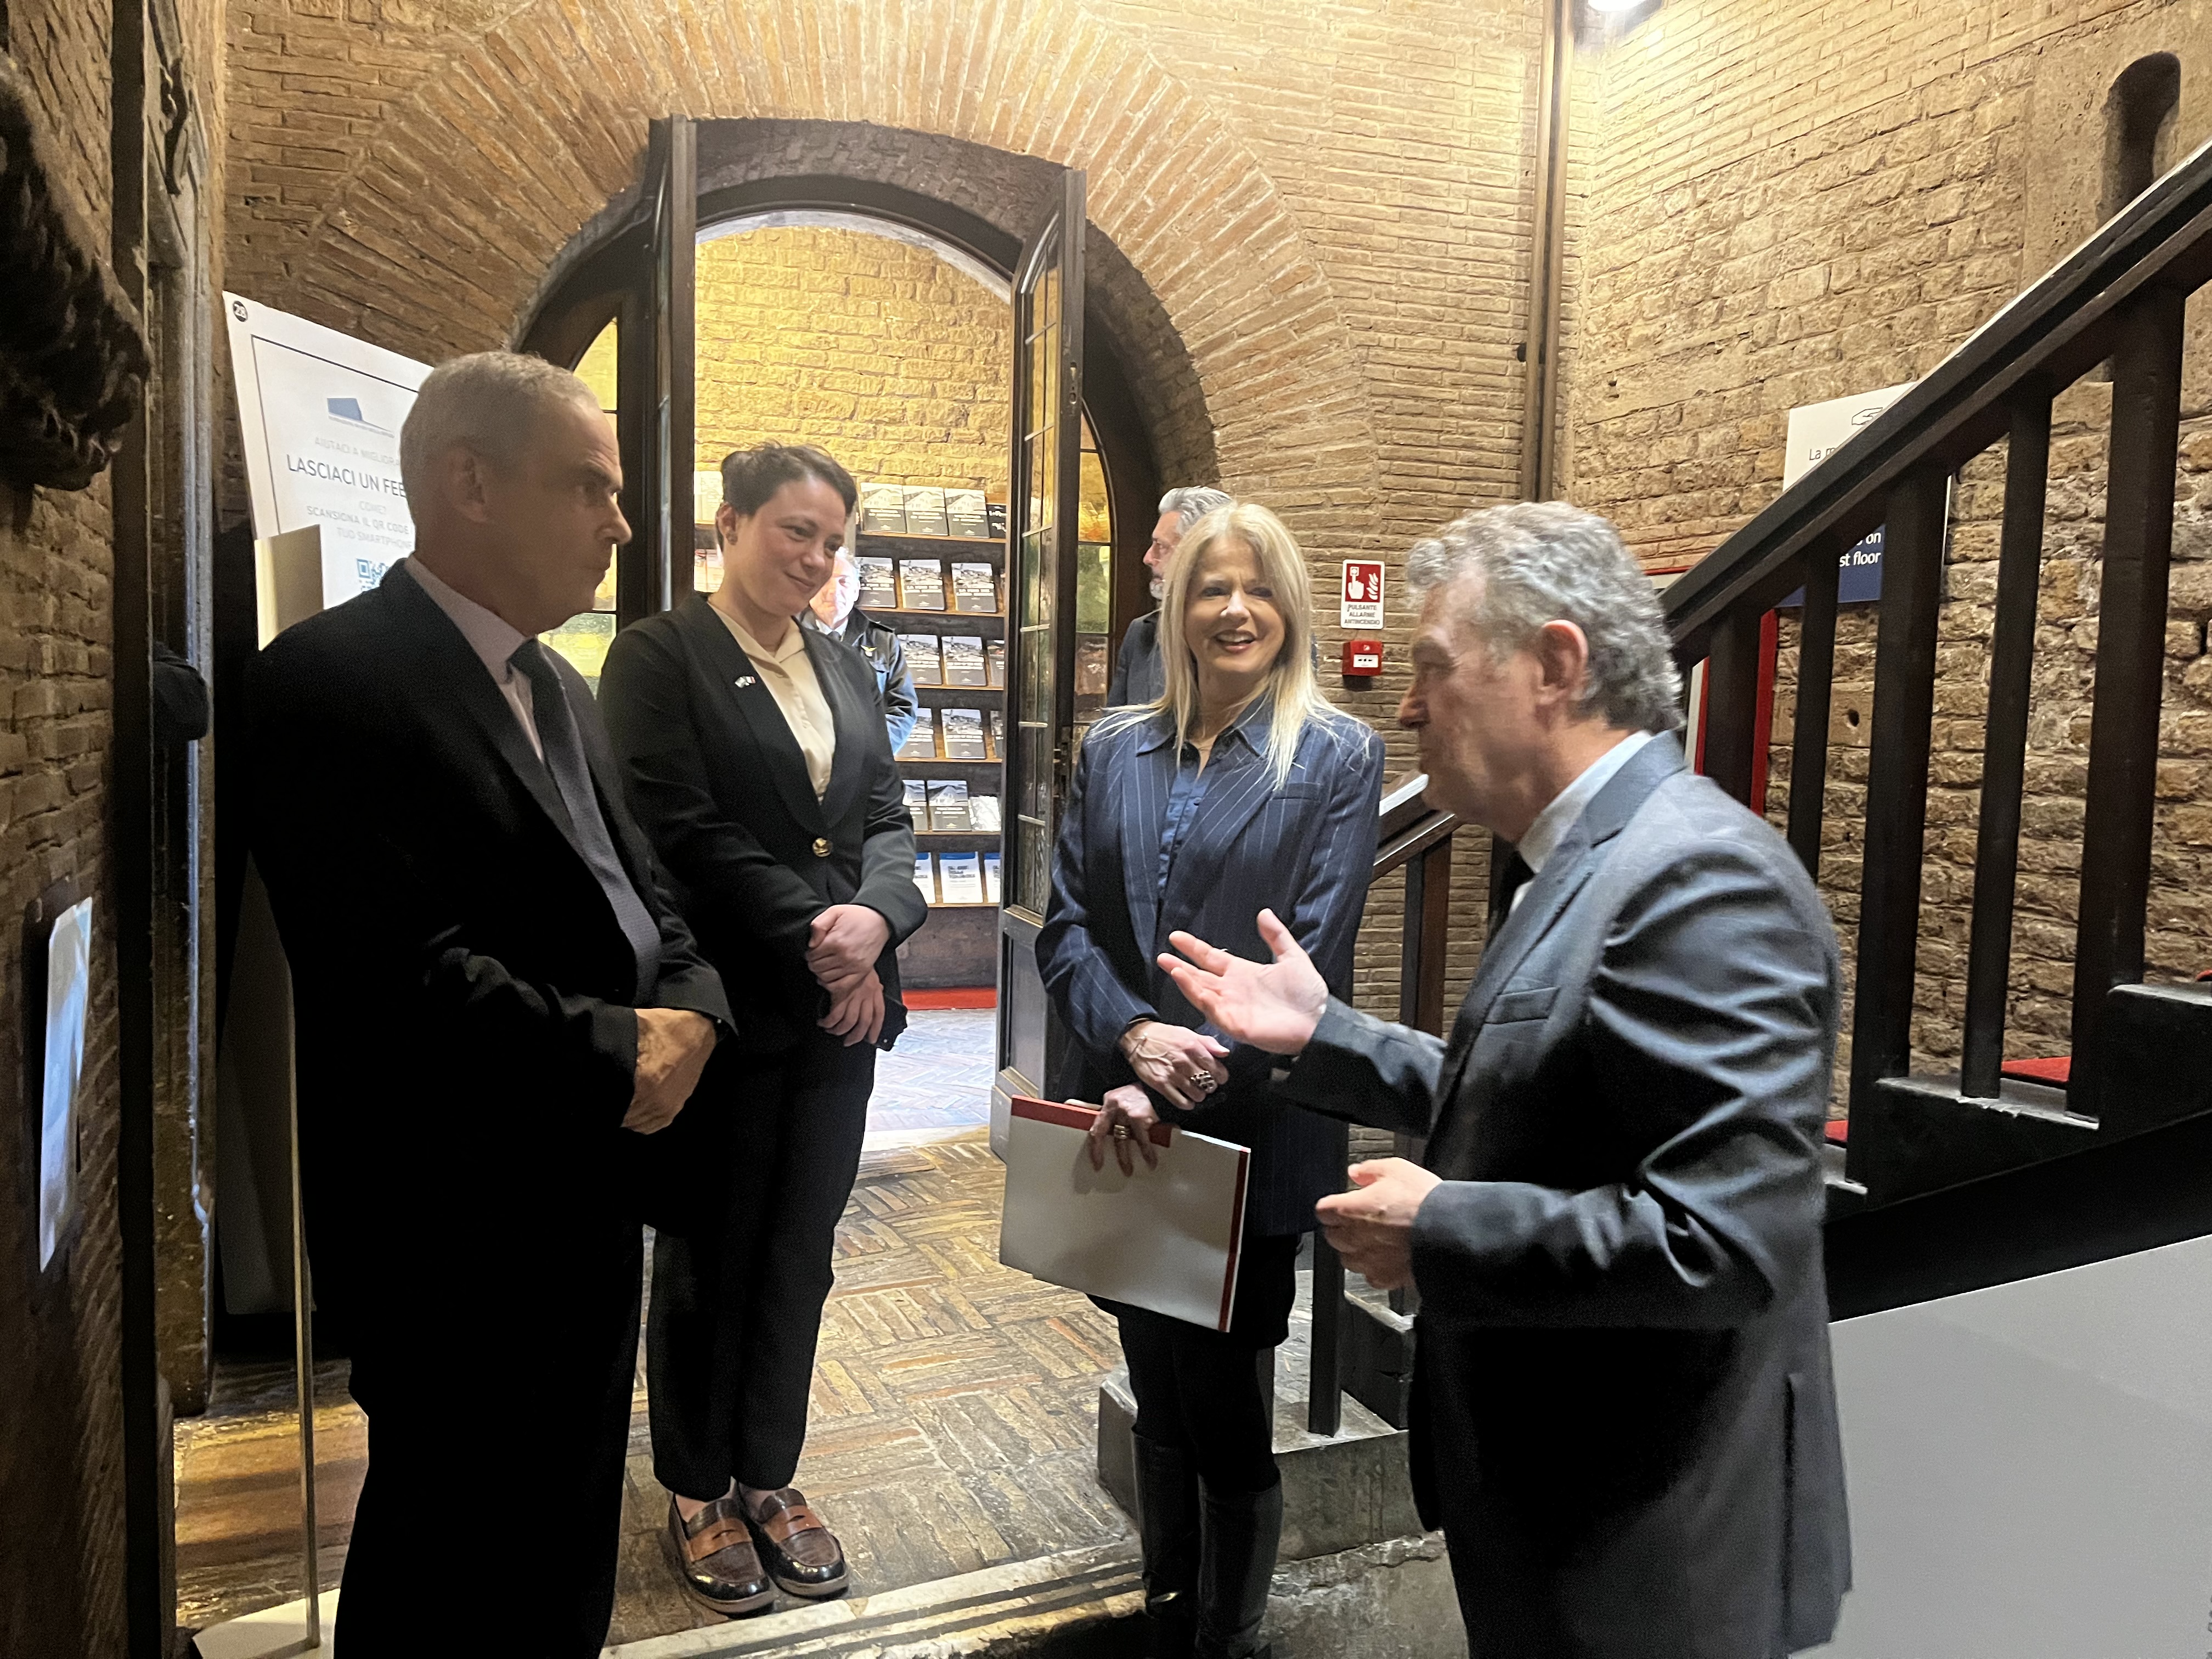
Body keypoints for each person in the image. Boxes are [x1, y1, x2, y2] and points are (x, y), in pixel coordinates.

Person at [1160, 502, 1850, 1659]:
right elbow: (1532, 1091)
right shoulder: (1582, 859)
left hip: (1652, 1556)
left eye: (1434, 665)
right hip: (1565, 1513)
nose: (1410, 705)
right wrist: (1322, 1034)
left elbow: (1726, 1242)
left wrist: (1442, 1229)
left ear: (1555, 666)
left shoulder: (1699, 880)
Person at [247, 352, 731, 1656]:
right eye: (589, 487)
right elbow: (402, 981)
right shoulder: (326, 685)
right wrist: (624, 1053)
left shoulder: (560, 685)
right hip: (450, 1229)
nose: (619, 523)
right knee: (445, 1565)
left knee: (566, 1546)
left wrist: (696, 1014)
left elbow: (650, 894)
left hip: (592, 1196)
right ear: (468, 483)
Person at [1038, 501, 1385, 1659]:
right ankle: (1166, 1607)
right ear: (1176, 606)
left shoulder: (1335, 755)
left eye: (1259, 587)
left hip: (1251, 1128)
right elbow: (1068, 930)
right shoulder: (1113, 747)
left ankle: (1225, 1640)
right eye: (1210, 587)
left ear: (1291, 606)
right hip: (1126, 1120)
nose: (1235, 609)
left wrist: (1178, 1075)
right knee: (1155, 1385)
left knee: (1228, 1408)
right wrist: (1136, 1041)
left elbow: (1311, 960)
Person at [599, 443, 927, 1618]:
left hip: (840, 1015)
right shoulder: (658, 657)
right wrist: (826, 937)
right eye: (796, 530)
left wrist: (878, 923)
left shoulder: (843, 664)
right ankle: (696, 1485)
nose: (817, 558)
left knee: (800, 1249)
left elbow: (885, 816)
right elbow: (678, 833)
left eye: (834, 541)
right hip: (728, 1011)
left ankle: (768, 1471)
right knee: (712, 1249)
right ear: (729, 526)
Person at [1108, 486, 1235, 706]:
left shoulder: (1251, 638)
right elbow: (1113, 724)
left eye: (1162, 546)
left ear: (1201, 554)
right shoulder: (1143, 634)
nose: (1148, 558)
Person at [803, 543, 919, 752]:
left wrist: (871, 752)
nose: (833, 590)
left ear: (856, 591)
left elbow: (903, 707)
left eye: (844, 582)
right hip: (805, 760)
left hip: (868, 761)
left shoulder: (883, 641)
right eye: (825, 580)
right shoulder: (785, 636)